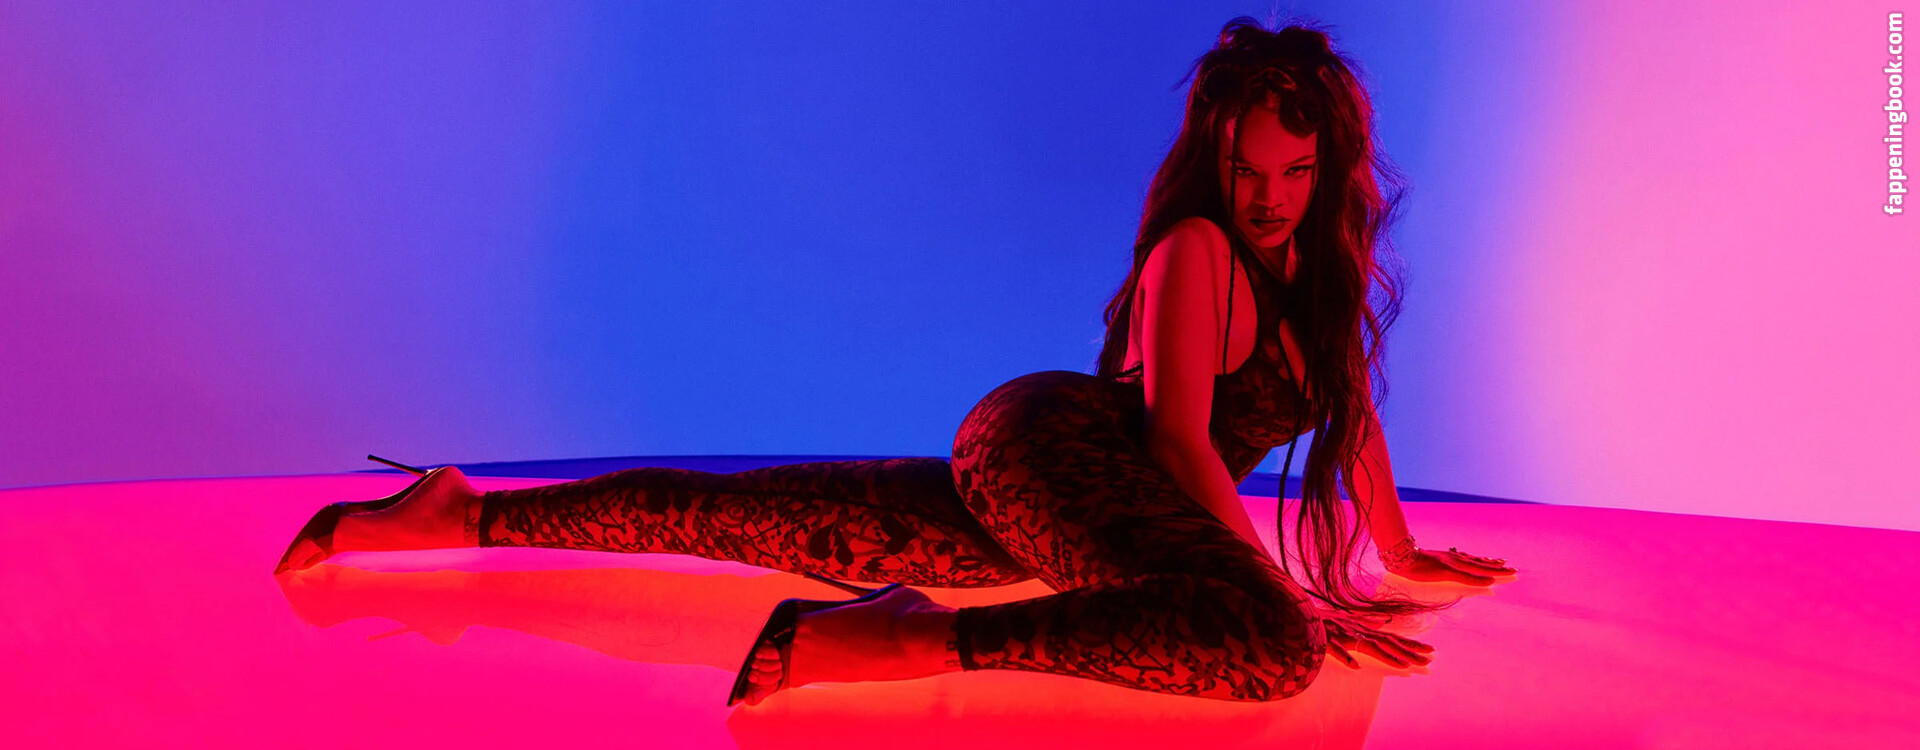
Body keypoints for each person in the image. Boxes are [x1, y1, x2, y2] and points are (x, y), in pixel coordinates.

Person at [274, 16, 1517, 707]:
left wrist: (1397, 552)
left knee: (761, 518)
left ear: (1328, 169)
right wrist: (1280, 588)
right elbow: (1184, 442)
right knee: (1269, 643)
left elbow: (1352, 417)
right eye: (1247, 169)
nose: (1268, 198)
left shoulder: (1315, 282)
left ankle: (459, 513)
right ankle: (910, 638)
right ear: (1217, 157)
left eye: (1295, 173)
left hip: (1075, 502)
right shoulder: (1199, 249)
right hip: (1056, 449)